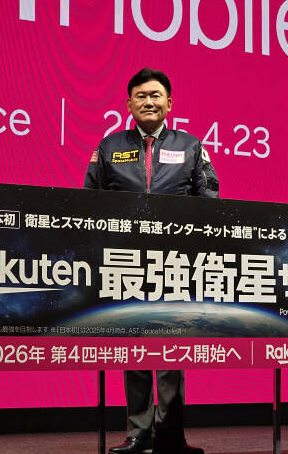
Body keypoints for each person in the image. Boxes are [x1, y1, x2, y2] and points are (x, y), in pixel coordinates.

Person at [84, 68, 219, 454]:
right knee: (135, 347)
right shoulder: (109, 147)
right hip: (125, 262)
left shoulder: (190, 146)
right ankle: (139, 431)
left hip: (175, 262)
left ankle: (171, 432)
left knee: (172, 346)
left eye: (156, 95)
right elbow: (87, 202)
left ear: (169, 103)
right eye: (140, 96)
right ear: (128, 104)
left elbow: (210, 199)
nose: (148, 101)